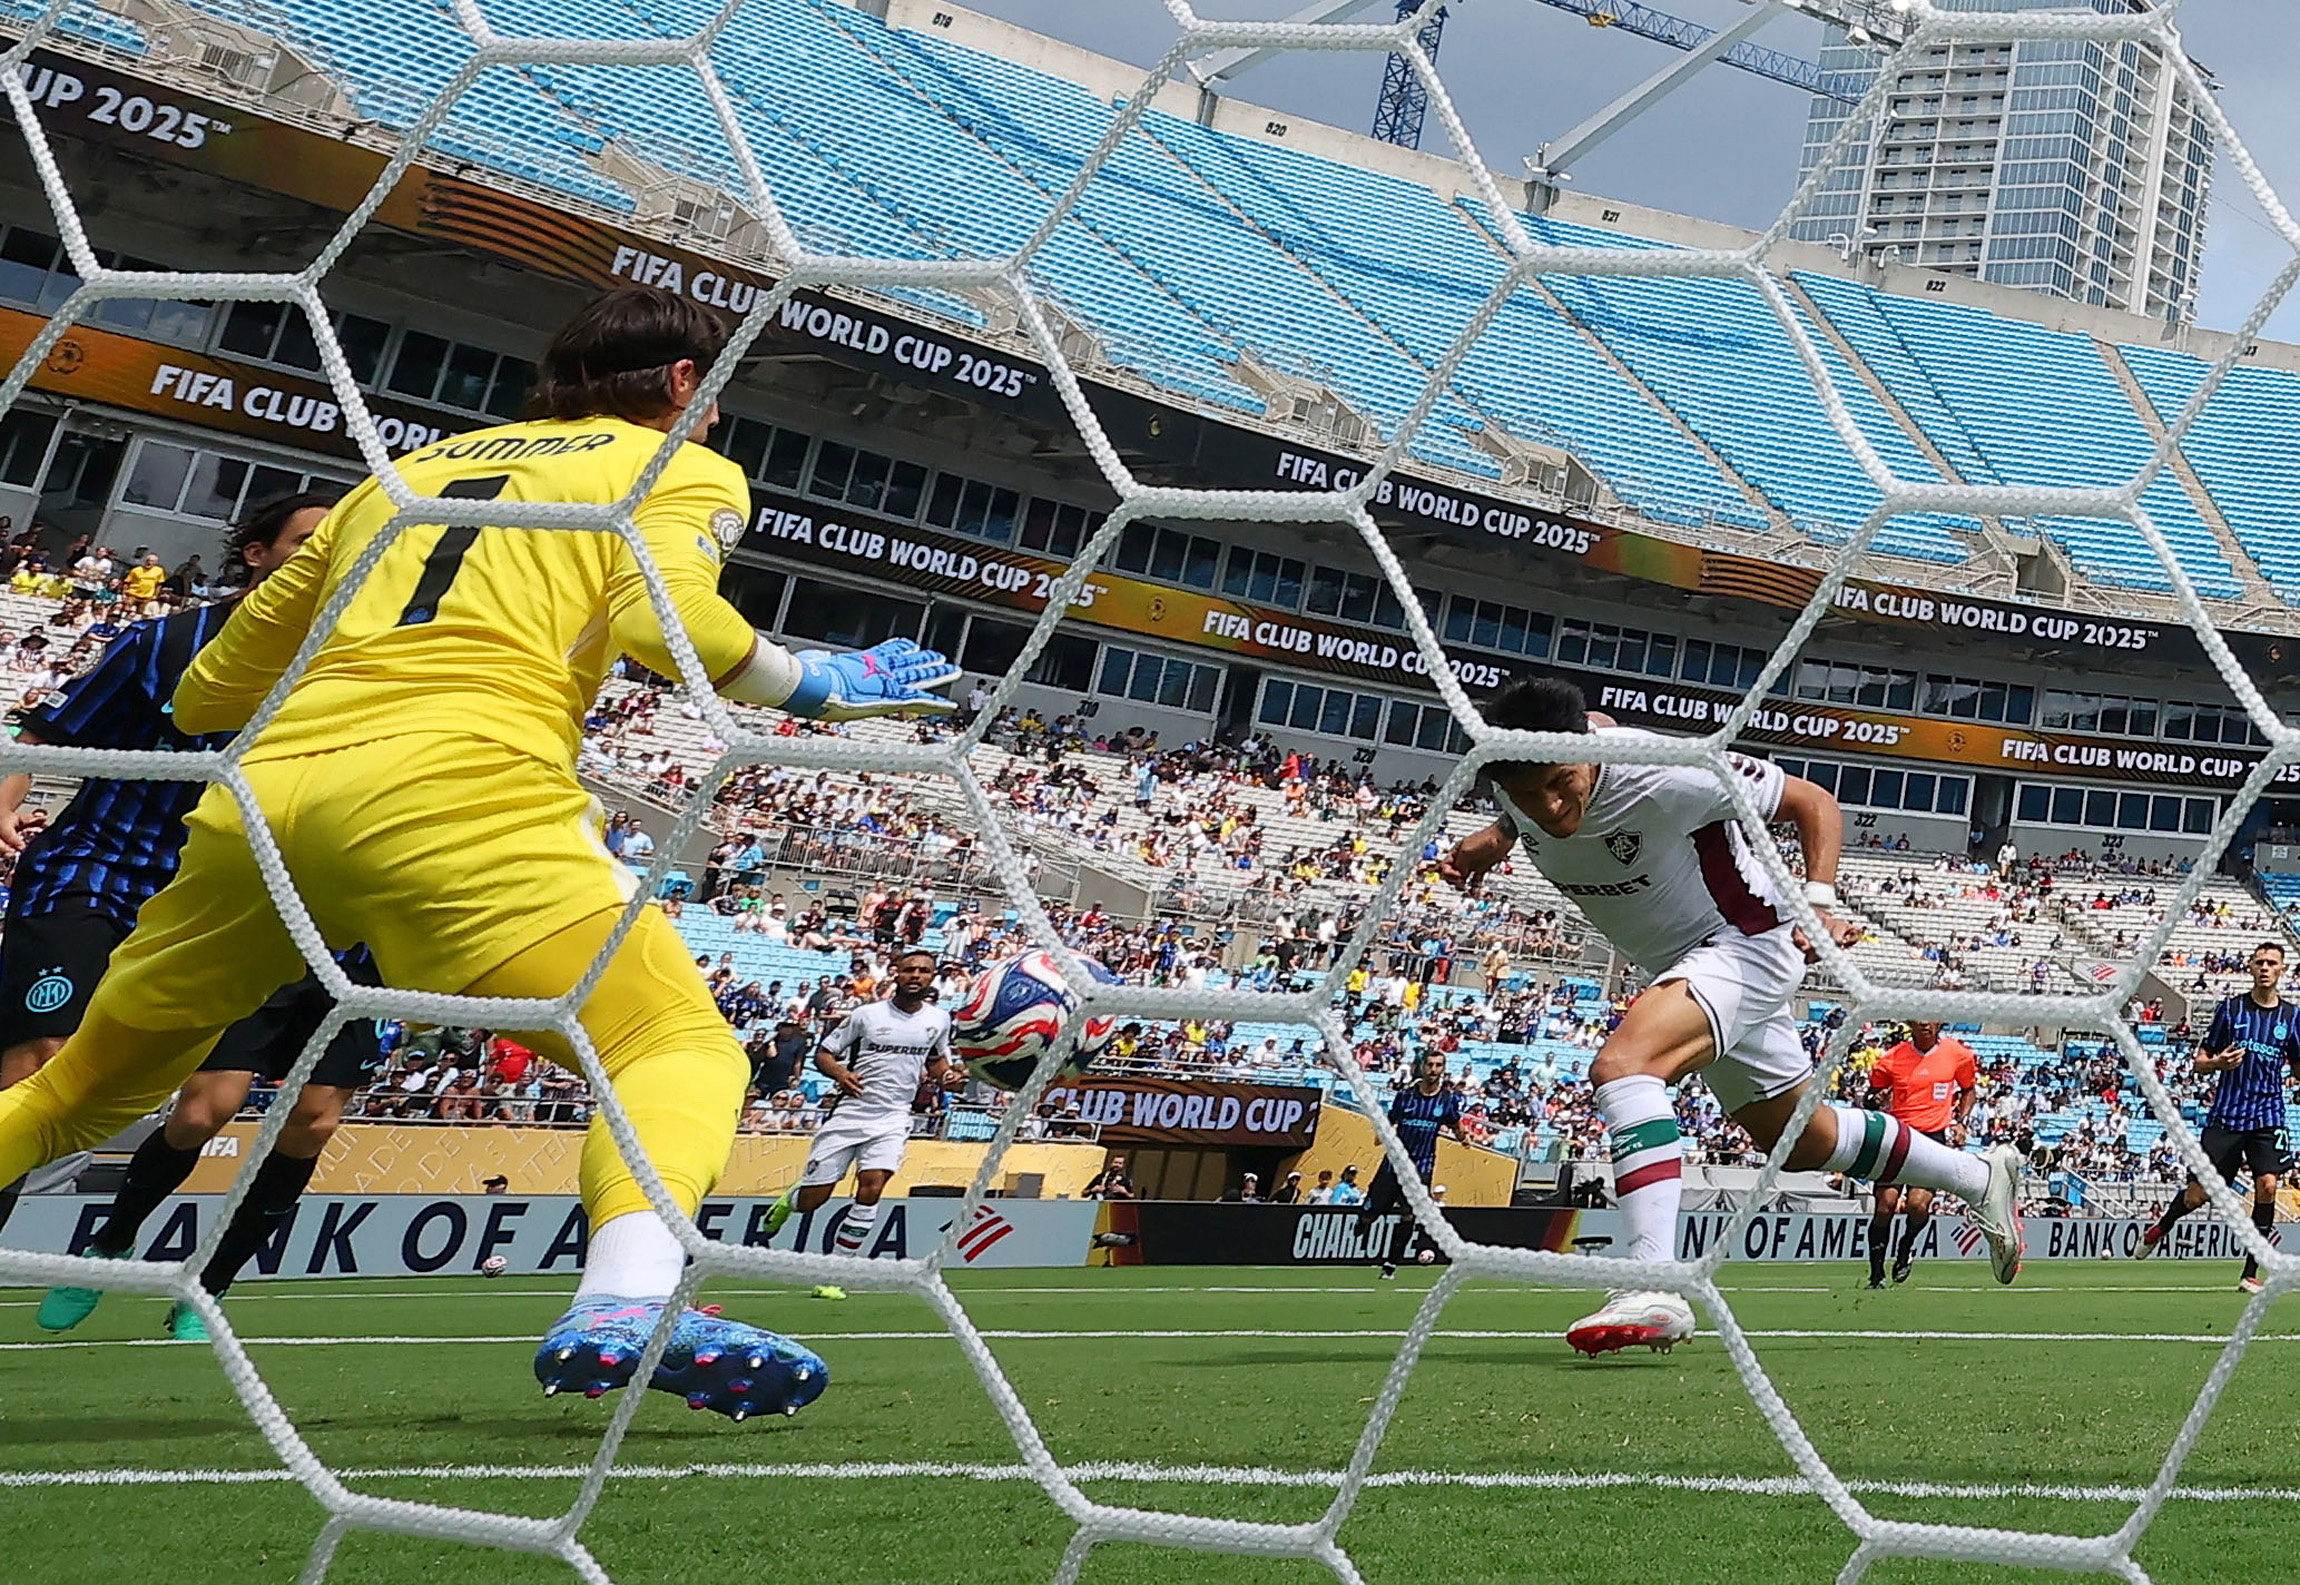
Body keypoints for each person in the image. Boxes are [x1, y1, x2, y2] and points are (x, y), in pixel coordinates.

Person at [0, 286, 959, 1420]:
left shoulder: (401, 476)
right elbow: (669, 625)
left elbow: (212, 687)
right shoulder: (672, 464)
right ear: (685, 385)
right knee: (674, 1044)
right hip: (453, 791)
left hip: (263, 806)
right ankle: (626, 1297)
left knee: (73, 1094)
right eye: (718, 395)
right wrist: (829, 685)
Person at [1440, 676, 2021, 1355]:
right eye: (1529, 793)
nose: (1552, 805)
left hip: (1744, 943)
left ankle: (1654, 1281)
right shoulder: (1518, 764)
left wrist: (1821, 900)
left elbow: (1812, 800)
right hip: (1684, 965)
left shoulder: (1667, 773)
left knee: (1627, 1066)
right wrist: (1499, 833)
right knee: (1804, 1140)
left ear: (1587, 756)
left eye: (1562, 782)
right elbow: (1554, 763)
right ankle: (1979, 1176)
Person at [0, 492, 336, 1258]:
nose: (321, 555)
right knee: (37, 1061)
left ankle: (123, 1244)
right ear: (257, 553)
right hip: (97, 868)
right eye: (305, 540)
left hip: (209, 902)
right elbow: (51, 725)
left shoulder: (345, 666)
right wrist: (6, 800)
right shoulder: (169, 640)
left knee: (202, 1101)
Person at [760, 949, 956, 1298]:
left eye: (923, 971)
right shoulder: (866, 1015)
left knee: (873, 1185)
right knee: (813, 1200)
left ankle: (835, 1272)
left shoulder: (939, 1019)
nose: (915, 976)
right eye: (909, 969)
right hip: (851, 1113)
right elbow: (824, 1052)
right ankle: (790, 1201)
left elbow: (938, 1061)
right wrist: (840, 1072)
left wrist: (949, 1078)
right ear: (895, 974)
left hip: (894, 1116)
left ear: (932, 977)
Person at [2134, 941, 2300, 1292]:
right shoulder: (2232, 1010)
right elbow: (2199, 1061)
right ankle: (2161, 1227)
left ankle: (2251, 1271)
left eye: (2272, 963)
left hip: (2268, 1115)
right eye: (2259, 962)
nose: (2265, 968)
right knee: (2198, 1196)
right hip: (2226, 1115)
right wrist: (2217, 1064)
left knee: (2268, 1185)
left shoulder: (2292, 1017)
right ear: (2251, 968)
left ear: (2283, 969)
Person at [1862, 1021, 1977, 1289]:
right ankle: (1876, 1275)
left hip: (1931, 1139)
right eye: (1919, 1018)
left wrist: (1961, 1121)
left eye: (1931, 1018)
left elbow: (1968, 1089)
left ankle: (1907, 1245)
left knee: (1917, 1206)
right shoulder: (1892, 1058)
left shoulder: (1957, 1054)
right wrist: (1875, 1100)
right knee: (1884, 1206)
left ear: (1939, 1023)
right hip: (1897, 1137)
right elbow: (1872, 1094)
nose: (1925, 1023)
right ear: (1910, 1023)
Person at [1358, 1048, 1462, 1279]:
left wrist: (1464, 1138)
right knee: (1370, 1213)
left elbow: (1455, 1122)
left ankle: (1390, 1264)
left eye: (1438, 1065)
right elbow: (1391, 1118)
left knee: (1410, 1215)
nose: (1433, 1070)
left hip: (1422, 1166)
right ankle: (1364, 1224)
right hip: (1393, 1163)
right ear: (1422, 1067)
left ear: (1443, 1069)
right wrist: (1382, 1134)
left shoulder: (1447, 1099)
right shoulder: (1406, 1095)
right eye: (1430, 1065)